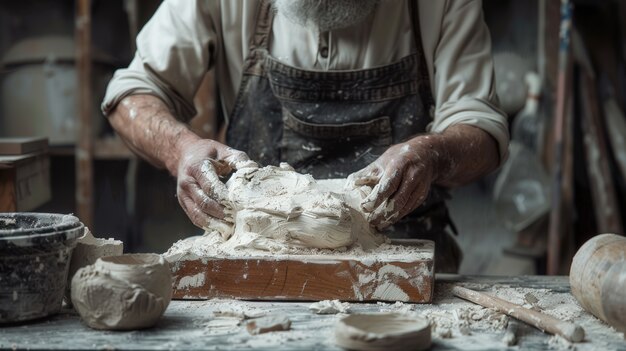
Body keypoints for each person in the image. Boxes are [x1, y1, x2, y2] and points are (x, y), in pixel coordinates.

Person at [102, 0, 509, 273]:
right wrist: (180, 149)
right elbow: (132, 93)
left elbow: (483, 129)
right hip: (257, 254)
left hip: (399, 255)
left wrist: (433, 152)